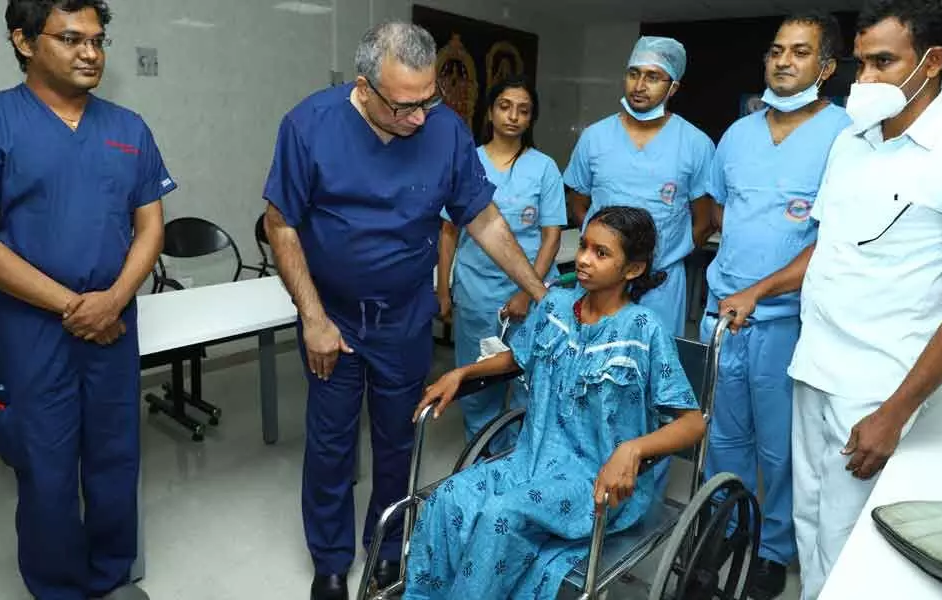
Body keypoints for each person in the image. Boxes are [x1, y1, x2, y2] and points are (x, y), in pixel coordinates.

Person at [261, 21, 549, 600]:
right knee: (331, 443)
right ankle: (330, 563)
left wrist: (541, 293)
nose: (420, 118)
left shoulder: (443, 130)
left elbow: (483, 218)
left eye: (428, 100)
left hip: (404, 319)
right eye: (404, 106)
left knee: (398, 439)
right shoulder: (308, 125)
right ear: (364, 88)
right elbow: (280, 223)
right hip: (334, 320)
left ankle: (388, 549)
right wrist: (313, 319)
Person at [718, 2, 942, 598]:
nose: (864, 80)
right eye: (861, 62)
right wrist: (760, 288)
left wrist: (894, 412)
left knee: (857, 545)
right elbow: (826, 248)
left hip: (877, 389)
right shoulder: (852, 141)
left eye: (882, 62)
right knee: (811, 524)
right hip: (813, 367)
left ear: (932, 63)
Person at [0, 1, 174, 599]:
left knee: (114, 457)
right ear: (23, 41)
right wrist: (77, 307)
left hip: (114, 323)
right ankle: (58, 589)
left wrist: (114, 299)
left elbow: (151, 227)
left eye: (98, 40)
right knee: (45, 468)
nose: (91, 53)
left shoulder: (129, 129)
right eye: (72, 39)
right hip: (33, 329)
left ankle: (109, 577)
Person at [403, 206, 706, 599]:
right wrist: (462, 373)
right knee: (450, 498)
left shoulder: (644, 331)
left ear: (632, 269)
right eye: (583, 246)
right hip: (530, 460)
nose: (582, 258)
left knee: (501, 516)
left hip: (595, 480)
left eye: (601, 253)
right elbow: (518, 356)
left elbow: (692, 423)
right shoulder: (555, 305)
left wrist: (633, 449)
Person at [702, 12, 850, 600]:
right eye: (775, 50)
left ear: (827, 66)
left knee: (780, 446)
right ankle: (731, 525)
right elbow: (718, 215)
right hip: (723, 314)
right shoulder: (738, 135)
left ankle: (773, 546)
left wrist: (761, 290)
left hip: (786, 322)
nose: (783, 61)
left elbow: (833, 240)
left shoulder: (845, 137)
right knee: (723, 437)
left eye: (800, 51)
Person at [436, 75, 567, 448]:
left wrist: (529, 292)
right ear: (490, 112)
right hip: (476, 291)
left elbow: (552, 236)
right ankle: (484, 459)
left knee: (530, 381)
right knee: (477, 381)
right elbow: (449, 232)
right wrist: (443, 288)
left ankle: (521, 463)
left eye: (523, 110)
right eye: (505, 106)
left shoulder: (544, 167)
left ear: (531, 118)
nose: (513, 116)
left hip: (532, 292)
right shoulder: (467, 162)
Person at [564, 36, 716, 338]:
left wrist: (664, 257)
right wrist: (606, 251)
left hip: (661, 285)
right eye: (634, 73)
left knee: (651, 370)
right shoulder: (595, 137)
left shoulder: (696, 144)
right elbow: (578, 203)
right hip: (601, 283)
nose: (640, 84)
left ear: (673, 87)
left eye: (653, 77)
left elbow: (705, 221)